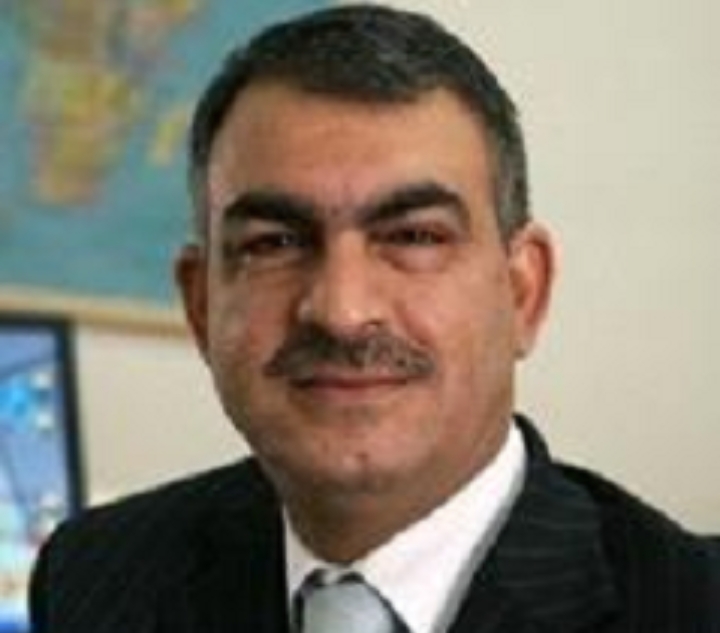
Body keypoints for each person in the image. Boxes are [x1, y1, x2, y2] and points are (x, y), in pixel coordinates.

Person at [29, 4, 719, 632]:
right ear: (201, 304)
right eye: (275, 243)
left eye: (414, 236)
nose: (342, 310)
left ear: (522, 293)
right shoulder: (95, 576)